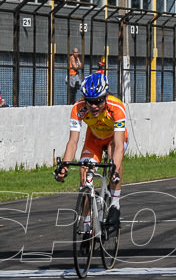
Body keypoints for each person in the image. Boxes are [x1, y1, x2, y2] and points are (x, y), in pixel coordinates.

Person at [53, 71, 128, 231]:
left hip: (114, 139)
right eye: (89, 101)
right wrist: (64, 166)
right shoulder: (78, 108)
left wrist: (114, 169)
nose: (93, 106)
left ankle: (115, 205)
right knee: (85, 174)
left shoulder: (117, 108)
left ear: (105, 97)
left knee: (114, 160)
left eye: (98, 101)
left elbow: (120, 145)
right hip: (93, 139)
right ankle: (87, 227)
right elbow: (73, 141)